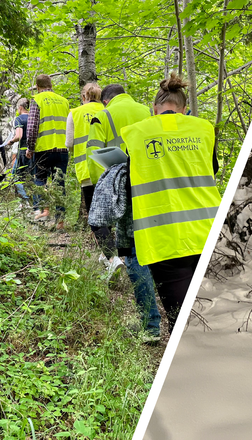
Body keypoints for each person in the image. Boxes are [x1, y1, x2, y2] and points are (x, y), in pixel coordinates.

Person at [121, 72, 221, 332]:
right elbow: (213, 168)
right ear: (184, 109)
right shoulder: (203, 128)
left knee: (179, 319)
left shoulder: (137, 134)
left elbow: (129, 179)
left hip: (164, 237)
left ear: (154, 109)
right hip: (206, 230)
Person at [88, 83, 162, 341]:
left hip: (123, 188)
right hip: (153, 187)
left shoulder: (103, 115)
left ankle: (151, 325)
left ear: (106, 101)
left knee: (132, 253)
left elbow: (94, 155)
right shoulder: (146, 110)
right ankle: (161, 317)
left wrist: (105, 193)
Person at [25, 74, 70, 228]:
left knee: (40, 180)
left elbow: (32, 127)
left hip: (44, 148)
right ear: (51, 85)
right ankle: (60, 221)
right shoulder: (64, 101)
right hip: (63, 148)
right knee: (59, 184)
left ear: (38, 87)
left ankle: (44, 212)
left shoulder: (37, 99)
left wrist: (30, 147)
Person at [66, 83, 104, 213]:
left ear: (83, 96)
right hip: (107, 166)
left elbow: (69, 143)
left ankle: (100, 233)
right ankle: (108, 232)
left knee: (92, 209)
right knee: (107, 208)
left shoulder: (75, 113)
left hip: (86, 167)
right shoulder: (107, 110)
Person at [5, 98, 33, 202]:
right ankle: (34, 202)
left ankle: (25, 200)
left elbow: (19, 136)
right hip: (34, 150)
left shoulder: (19, 119)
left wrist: (11, 141)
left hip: (23, 151)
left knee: (15, 176)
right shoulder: (33, 117)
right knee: (31, 177)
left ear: (20, 107)